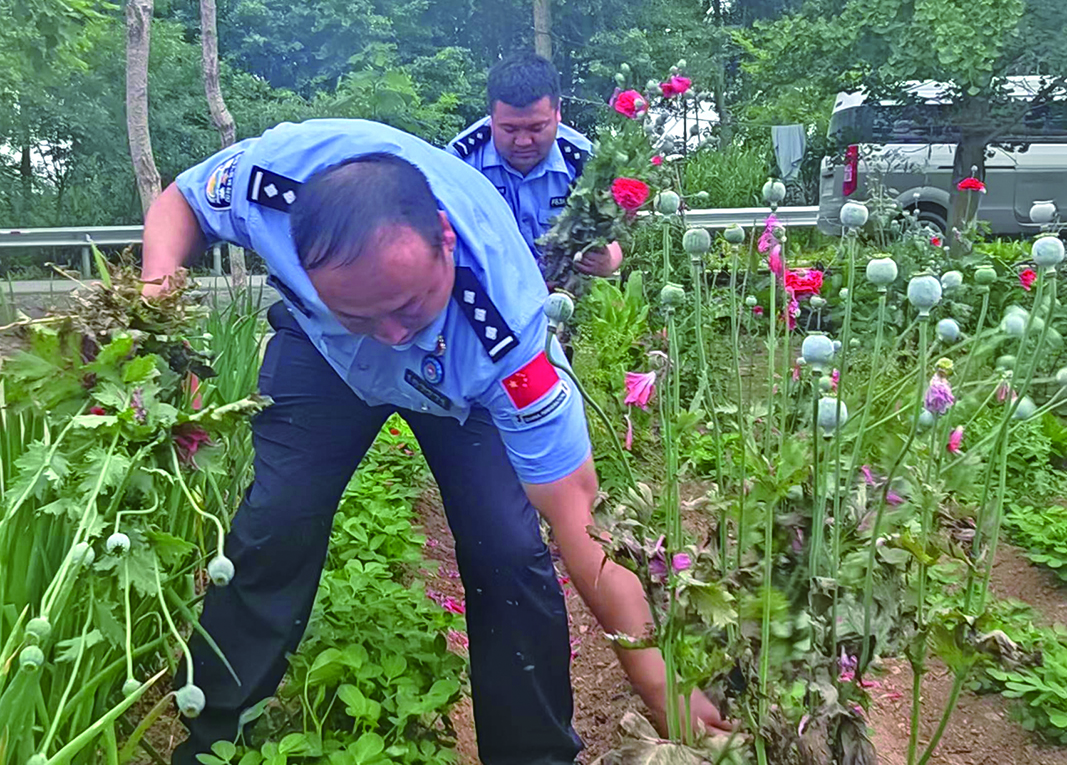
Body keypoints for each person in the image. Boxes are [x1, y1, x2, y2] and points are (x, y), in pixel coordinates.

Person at [142, 118, 728, 765]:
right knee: (276, 522)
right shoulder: (269, 186)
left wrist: (663, 688)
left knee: (506, 549)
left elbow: (578, 523)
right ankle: (210, 731)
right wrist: (159, 308)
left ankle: (530, 753)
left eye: (409, 304)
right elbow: (183, 201)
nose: (392, 334)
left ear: (444, 241)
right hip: (324, 352)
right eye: (367, 312)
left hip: (462, 381)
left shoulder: (510, 339)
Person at [447, 53, 623, 278]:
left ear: (557, 110)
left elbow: (613, 238)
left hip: (564, 297)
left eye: (536, 128)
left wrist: (608, 261)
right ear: (491, 115)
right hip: (487, 294)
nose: (523, 141)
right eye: (509, 129)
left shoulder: (585, 162)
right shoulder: (459, 161)